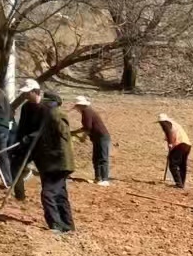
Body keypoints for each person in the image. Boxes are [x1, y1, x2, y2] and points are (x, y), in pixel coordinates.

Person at [23, 83, 75, 233]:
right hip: (49, 162)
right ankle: (68, 225)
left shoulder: (56, 114)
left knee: (48, 194)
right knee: (60, 194)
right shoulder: (47, 114)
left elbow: (63, 136)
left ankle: (56, 225)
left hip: (59, 163)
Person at [9, 79, 46, 199]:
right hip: (26, 143)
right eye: (24, 93)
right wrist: (18, 140)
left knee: (46, 172)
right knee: (15, 166)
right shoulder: (26, 107)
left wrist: (31, 137)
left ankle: (50, 197)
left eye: (28, 92)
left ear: (36, 92)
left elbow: (44, 129)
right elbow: (22, 126)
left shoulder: (45, 108)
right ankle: (20, 196)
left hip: (42, 145)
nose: (25, 95)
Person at [66, 96, 114, 186]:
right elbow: (87, 128)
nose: (77, 109)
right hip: (96, 137)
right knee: (96, 158)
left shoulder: (87, 111)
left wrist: (79, 135)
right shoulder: (86, 111)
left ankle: (105, 179)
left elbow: (87, 127)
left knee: (102, 158)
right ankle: (98, 178)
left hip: (102, 136)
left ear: (80, 105)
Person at [159, 115, 192, 188]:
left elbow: (169, 134)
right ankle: (181, 183)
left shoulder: (167, 125)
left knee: (173, 164)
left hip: (179, 144)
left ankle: (178, 183)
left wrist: (170, 146)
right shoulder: (176, 125)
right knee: (182, 165)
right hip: (187, 145)